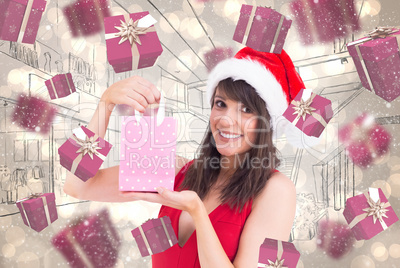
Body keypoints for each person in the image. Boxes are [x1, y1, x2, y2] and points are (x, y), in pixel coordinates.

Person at [64, 47, 305, 267]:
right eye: (220, 104)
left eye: (247, 109)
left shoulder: (276, 190)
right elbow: (78, 186)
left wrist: (197, 212)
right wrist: (105, 105)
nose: (226, 120)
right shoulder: (178, 170)